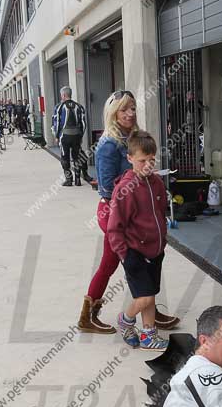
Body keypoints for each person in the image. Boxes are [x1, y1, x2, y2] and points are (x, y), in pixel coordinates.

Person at [76, 91, 179, 335]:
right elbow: (107, 187)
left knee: (141, 261)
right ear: (113, 113)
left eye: (132, 108)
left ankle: (147, 308)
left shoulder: (132, 137)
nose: (130, 113)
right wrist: (134, 187)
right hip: (116, 211)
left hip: (132, 211)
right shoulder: (109, 144)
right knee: (118, 262)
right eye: (124, 109)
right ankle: (91, 316)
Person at [107, 131, 176, 350]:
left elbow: (160, 212)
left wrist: (162, 240)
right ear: (130, 158)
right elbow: (114, 227)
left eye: (151, 160)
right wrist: (125, 255)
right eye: (142, 161)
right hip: (134, 252)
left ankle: (148, 335)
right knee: (144, 298)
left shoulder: (156, 183)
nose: (148, 165)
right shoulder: (125, 189)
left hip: (155, 250)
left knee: (150, 294)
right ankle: (125, 321)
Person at [51, 86, 87, 187]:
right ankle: (78, 180)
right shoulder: (79, 106)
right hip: (76, 136)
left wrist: (56, 136)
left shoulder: (59, 107)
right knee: (77, 157)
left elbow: (57, 123)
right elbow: (83, 123)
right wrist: (80, 135)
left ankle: (69, 180)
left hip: (64, 136)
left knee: (65, 157)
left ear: (63, 95)